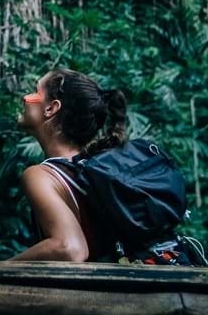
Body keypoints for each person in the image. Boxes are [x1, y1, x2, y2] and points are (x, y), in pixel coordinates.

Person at [9, 69, 128, 261]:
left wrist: (2, 267)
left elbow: (70, 248)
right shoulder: (95, 169)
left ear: (51, 108)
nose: (25, 97)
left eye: (34, 91)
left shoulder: (41, 176)